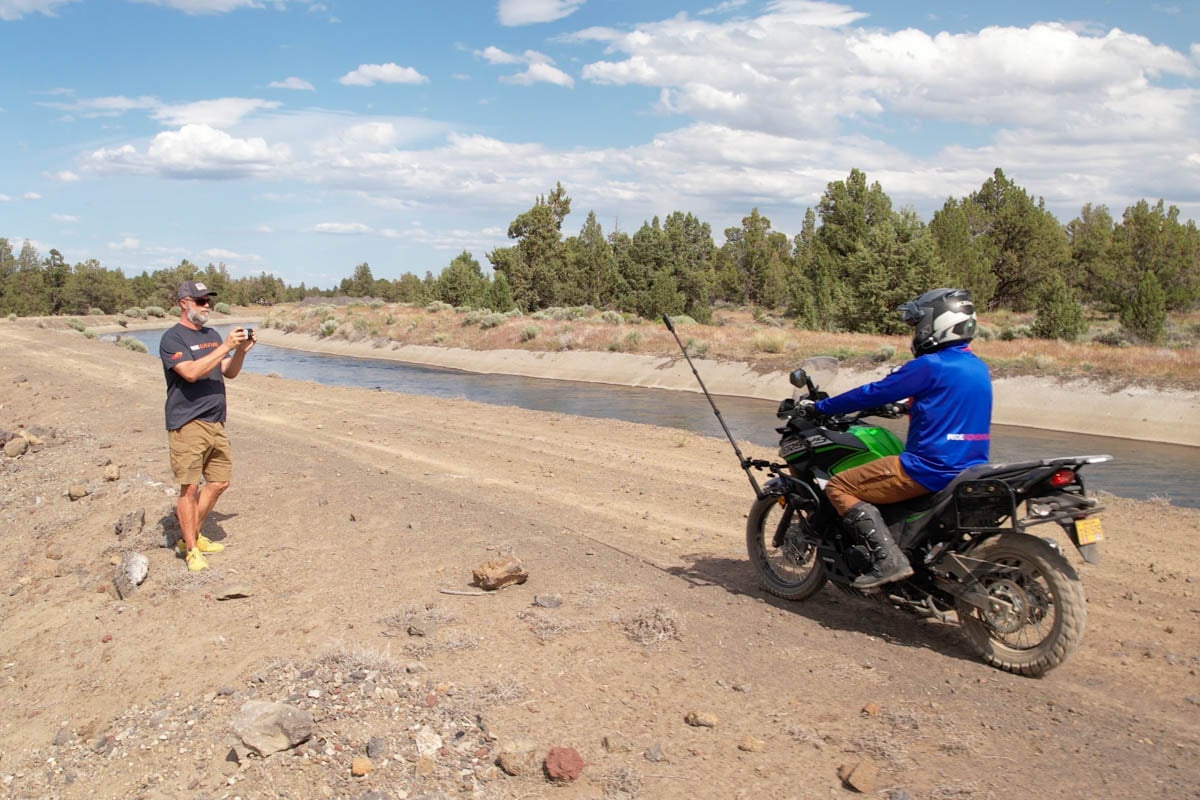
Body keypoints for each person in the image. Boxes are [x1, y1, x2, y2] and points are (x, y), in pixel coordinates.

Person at [807, 288, 992, 589]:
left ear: (938, 324)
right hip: (969, 468)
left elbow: (874, 391)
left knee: (840, 486)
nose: (917, 332)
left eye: (920, 324)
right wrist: (909, 405)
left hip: (926, 469)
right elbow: (950, 404)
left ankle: (887, 561)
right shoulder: (977, 367)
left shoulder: (931, 365)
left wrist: (821, 407)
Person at [159, 280, 256, 571]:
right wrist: (225, 345)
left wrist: (239, 351)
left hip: (216, 422)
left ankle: (193, 535)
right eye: (200, 301)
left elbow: (228, 371)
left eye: (208, 301)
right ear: (184, 304)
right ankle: (190, 549)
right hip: (188, 422)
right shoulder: (172, 339)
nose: (206, 306)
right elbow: (189, 372)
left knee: (219, 482)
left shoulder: (211, 335)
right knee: (189, 489)